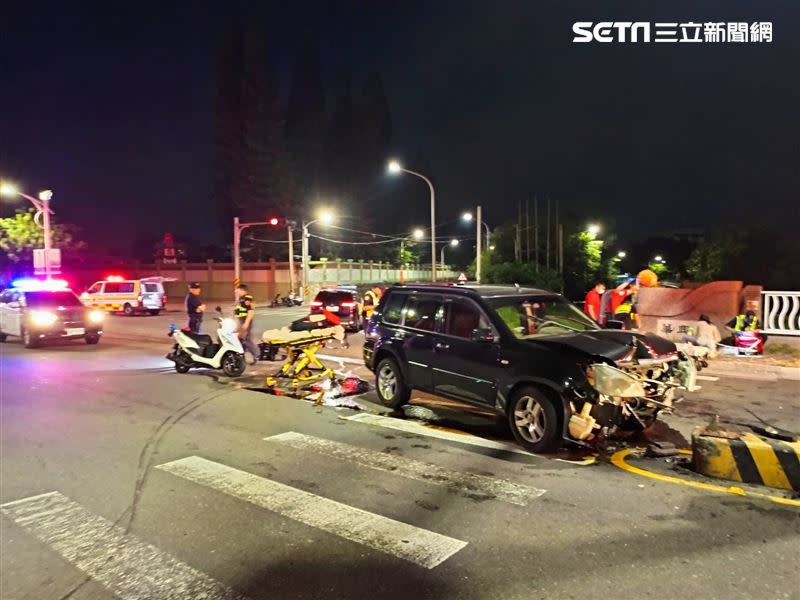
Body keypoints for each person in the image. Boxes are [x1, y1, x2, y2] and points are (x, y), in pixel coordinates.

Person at [234, 284, 259, 364]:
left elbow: (250, 311)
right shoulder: (241, 299)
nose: (236, 291)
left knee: (246, 340)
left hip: (245, 321)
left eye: (238, 290)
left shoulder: (247, 298)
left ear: (242, 290)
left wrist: (246, 323)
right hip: (241, 321)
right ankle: (241, 357)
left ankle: (257, 354)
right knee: (240, 340)